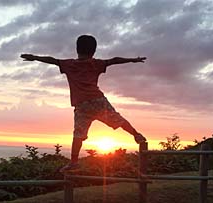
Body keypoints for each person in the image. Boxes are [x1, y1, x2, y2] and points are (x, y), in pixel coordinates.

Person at [21, 34, 147, 172]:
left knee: (78, 135)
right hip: (97, 101)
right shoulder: (96, 63)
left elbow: (52, 60)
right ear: (94, 51)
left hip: (82, 106)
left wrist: (34, 57)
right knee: (118, 119)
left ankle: (74, 162)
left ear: (77, 49)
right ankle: (136, 135)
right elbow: (114, 60)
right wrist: (133, 60)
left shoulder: (69, 64)